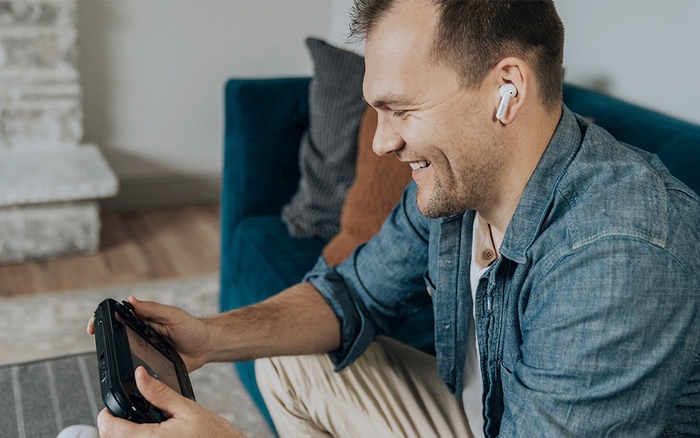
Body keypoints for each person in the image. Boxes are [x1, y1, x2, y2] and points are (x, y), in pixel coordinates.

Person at [88, 0, 700, 436]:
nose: (382, 143)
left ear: (506, 90)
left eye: (400, 108)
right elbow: (352, 294)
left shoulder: (620, 252)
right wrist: (210, 337)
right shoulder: (457, 188)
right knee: (287, 355)